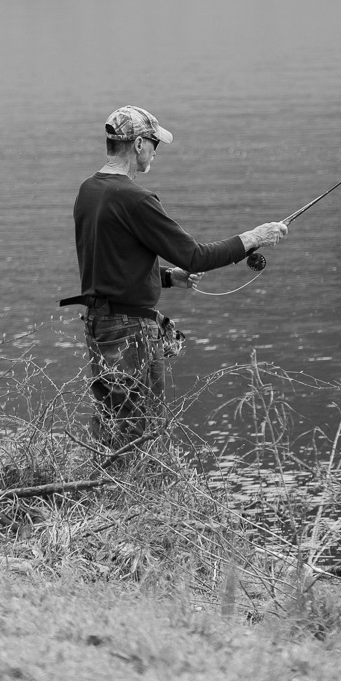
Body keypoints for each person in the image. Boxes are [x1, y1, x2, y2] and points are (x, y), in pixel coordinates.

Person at [63, 105, 287, 444]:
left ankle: (106, 478)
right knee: (143, 432)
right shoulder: (136, 200)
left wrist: (167, 277)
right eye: (154, 143)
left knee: (112, 426)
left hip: (99, 326)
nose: (156, 151)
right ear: (139, 144)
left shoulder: (89, 190)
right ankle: (139, 479)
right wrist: (254, 237)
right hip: (130, 332)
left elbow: (110, 261)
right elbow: (195, 257)